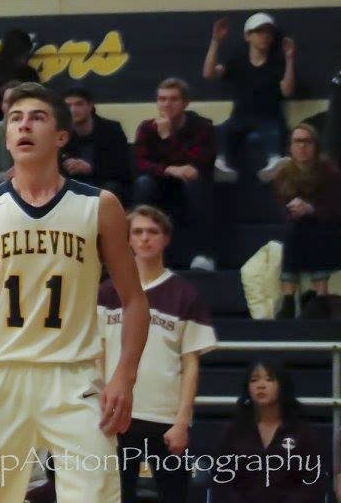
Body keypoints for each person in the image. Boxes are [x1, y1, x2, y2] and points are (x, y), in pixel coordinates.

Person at [0, 82, 149, 503]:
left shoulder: (98, 205)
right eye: (15, 119)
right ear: (7, 137)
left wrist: (124, 375)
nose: (24, 125)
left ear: (61, 137)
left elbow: (135, 299)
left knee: (95, 495)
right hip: (1, 372)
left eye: (37, 117)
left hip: (74, 374)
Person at [100, 205, 216, 503]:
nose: (145, 238)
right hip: (114, 413)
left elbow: (191, 363)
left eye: (153, 232)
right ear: (127, 240)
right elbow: (96, 353)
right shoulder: (105, 292)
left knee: (174, 495)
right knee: (114, 497)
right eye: (137, 232)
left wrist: (181, 421)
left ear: (166, 238)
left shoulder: (185, 294)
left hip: (164, 416)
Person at [212, 360, 330, 502]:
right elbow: (222, 480)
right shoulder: (233, 430)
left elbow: (313, 482)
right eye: (254, 380)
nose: (261, 386)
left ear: (282, 385)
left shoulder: (301, 431)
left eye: (269, 379)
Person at [131, 78, 217, 270]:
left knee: (196, 183)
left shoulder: (202, 127)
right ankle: (137, 252)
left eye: (173, 99)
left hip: (190, 187)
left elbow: (199, 163)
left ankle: (203, 255)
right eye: (162, 99)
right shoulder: (147, 128)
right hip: (161, 185)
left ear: (186, 103)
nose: (167, 104)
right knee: (143, 183)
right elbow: (140, 163)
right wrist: (170, 169)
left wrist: (168, 138)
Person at [204, 12, 294, 182]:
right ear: (248, 36)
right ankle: (221, 163)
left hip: (269, 118)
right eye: (259, 32)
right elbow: (209, 74)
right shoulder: (237, 60)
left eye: (268, 32)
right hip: (240, 117)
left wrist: (289, 59)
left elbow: (287, 91)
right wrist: (216, 41)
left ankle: (273, 162)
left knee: (273, 132)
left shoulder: (277, 63)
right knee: (221, 131)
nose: (264, 36)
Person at [268, 123, 341, 318]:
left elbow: (336, 209)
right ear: (290, 147)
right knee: (296, 229)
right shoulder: (283, 174)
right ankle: (310, 297)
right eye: (297, 142)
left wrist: (310, 209)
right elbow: (280, 209)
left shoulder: (330, 172)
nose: (301, 146)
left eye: (306, 142)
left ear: (315, 146)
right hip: (299, 231)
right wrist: (293, 210)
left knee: (310, 230)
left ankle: (296, 299)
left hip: (330, 230)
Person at [61, 87, 132, 200]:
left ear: (90, 106)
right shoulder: (60, 133)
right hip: (73, 184)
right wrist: (66, 165)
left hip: (105, 184)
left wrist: (91, 168)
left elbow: (123, 168)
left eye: (79, 104)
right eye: (68, 106)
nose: (73, 110)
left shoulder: (111, 129)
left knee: (111, 189)